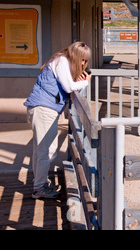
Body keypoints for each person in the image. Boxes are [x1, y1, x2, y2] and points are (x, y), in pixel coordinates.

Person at [24, 42, 92, 199]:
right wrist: (85, 81)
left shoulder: (61, 60)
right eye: (82, 59)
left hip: (44, 109)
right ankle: (39, 188)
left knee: (41, 149)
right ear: (75, 55)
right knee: (47, 150)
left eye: (85, 61)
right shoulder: (61, 61)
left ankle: (40, 183)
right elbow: (69, 87)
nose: (83, 63)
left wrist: (79, 80)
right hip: (44, 109)